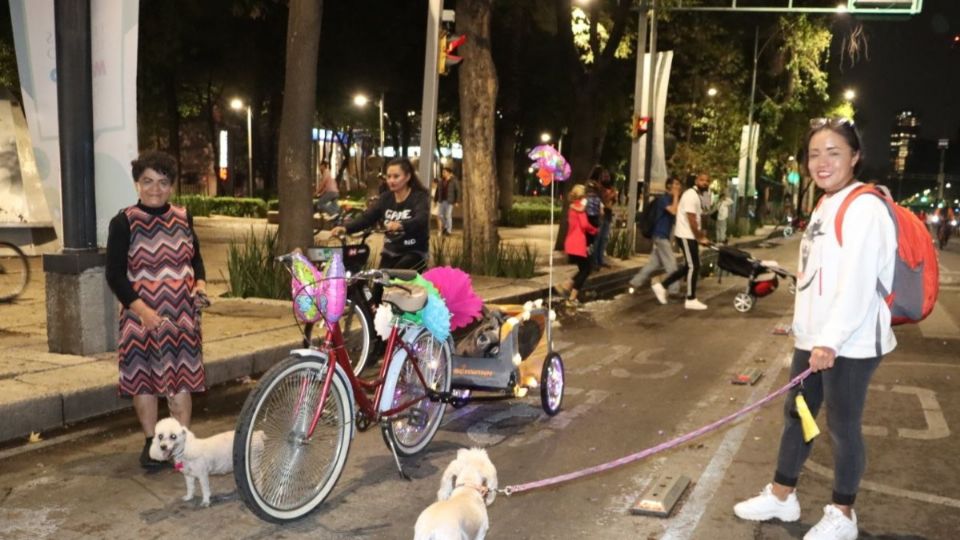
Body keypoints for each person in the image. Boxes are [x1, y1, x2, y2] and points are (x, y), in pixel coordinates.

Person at [733, 118, 896, 540]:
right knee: (798, 416)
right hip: (819, 338)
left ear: (855, 156)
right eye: (814, 154)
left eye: (834, 152)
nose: (821, 162)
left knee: (843, 426)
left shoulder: (865, 206)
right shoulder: (826, 203)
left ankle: (843, 513)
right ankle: (782, 495)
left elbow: (859, 284)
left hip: (851, 342)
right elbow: (822, 275)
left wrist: (830, 340)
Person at [105, 150, 207, 471]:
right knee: (144, 381)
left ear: (171, 186)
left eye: (163, 182)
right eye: (147, 181)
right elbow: (114, 274)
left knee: (181, 380)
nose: (155, 189)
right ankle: (152, 442)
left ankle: (180, 443)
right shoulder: (123, 222)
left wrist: (200, 285)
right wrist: (143, 311)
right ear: (137, 184)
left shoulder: (183, 216)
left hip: (181, 316)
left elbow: (196, 260)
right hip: (140, 316)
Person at [331, 157, 430, 271]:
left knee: (395, 277)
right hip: (390, 251)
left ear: (407, 177)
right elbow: (367, 218)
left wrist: (401, 225)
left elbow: (422, 219)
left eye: (396, 176)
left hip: (414, 252)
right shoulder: (385, 198)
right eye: (388, 177)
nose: (391, 181)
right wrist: (345, 228)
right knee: (378, 284)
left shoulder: (419, 197)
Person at [652, 173, 711, 310]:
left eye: (707, 181)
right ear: (696, 181)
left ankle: (661, 286)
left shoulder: (698, 195)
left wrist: (701, 235)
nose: (705, 183)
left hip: (690, 235)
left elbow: (701, 214)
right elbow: (691, 218)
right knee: (693, 266)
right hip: (686, 235)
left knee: (689, 266)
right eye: (702, 180)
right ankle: (690, 299)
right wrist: (700, 237)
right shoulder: (691, 195)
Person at [628, 177, 681, 295]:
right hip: (660, 235)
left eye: (679, 185)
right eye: (676, 184)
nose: (678, 187)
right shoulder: (663, 199)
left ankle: (634, 283)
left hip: (662, 236)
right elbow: (673, 211)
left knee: (654, 264)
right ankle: (674, 291)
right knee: (671, 264)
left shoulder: (671, 199)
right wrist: (676, 196)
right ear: (669, 186)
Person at [556, 184, 598, 304]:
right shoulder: (580, 209)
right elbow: (584, 225)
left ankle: (566, 286)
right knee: (586, 269)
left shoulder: (571, 208)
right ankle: (572, 297)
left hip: (570, 242)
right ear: (582, 196)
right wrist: (595, 230)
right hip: (579, 243)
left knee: (583, 269)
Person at [593, 169, 618, 269]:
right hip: (600, 216)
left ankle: (600, 259)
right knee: (597, 239)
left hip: (608, 215)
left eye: (607, 175)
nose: (606, 177)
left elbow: (612, 202)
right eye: (604, 175)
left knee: (604, 239)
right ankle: (594, 261)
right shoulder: (598, 187)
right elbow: (603, 200)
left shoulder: (611, 188)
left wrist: (613, 196)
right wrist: (611, 195)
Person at [435, 166, 461, 236]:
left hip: (450, 201)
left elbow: (458, 191)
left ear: (449, 173)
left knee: (448, 215)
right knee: (439, 215)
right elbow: (437, 191)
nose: (443, 173)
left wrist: (457, 201)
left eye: (444, 172)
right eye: (443, 172)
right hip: (441, 200)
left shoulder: (454, 181)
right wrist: (435, 199)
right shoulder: (441, 181)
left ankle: (449, 231)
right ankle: (446, 227)